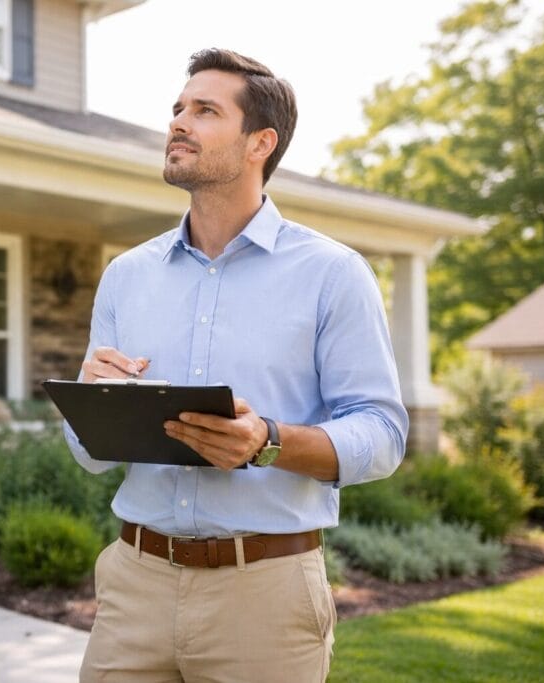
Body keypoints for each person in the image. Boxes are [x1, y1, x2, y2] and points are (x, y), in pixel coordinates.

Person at [64, 48, 409, 683]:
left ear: (261, 142)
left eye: (204, 110)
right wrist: (93, 402)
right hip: (133, 586)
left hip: (265, 596)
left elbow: (383, 435)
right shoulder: (126, 276)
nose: (178, 123)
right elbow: (91, 456)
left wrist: (268, 441)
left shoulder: (332, 274)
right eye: (176, 109)